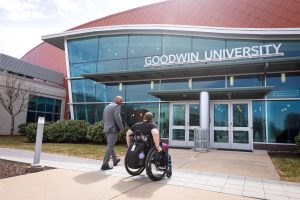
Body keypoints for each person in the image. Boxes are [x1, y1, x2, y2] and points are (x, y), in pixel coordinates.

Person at [101, 96, 124, 170]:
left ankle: (115, 160)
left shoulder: (107, 106)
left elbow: (104, 118)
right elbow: (117, 118)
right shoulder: (116, 106)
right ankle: (105, 164)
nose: (121, 102)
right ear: (116, 100)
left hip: (106, 129)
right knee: (110, 146)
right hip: (113, 130)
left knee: (111, 145)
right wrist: (121, 128)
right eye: (120, 101)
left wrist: (106, 126)